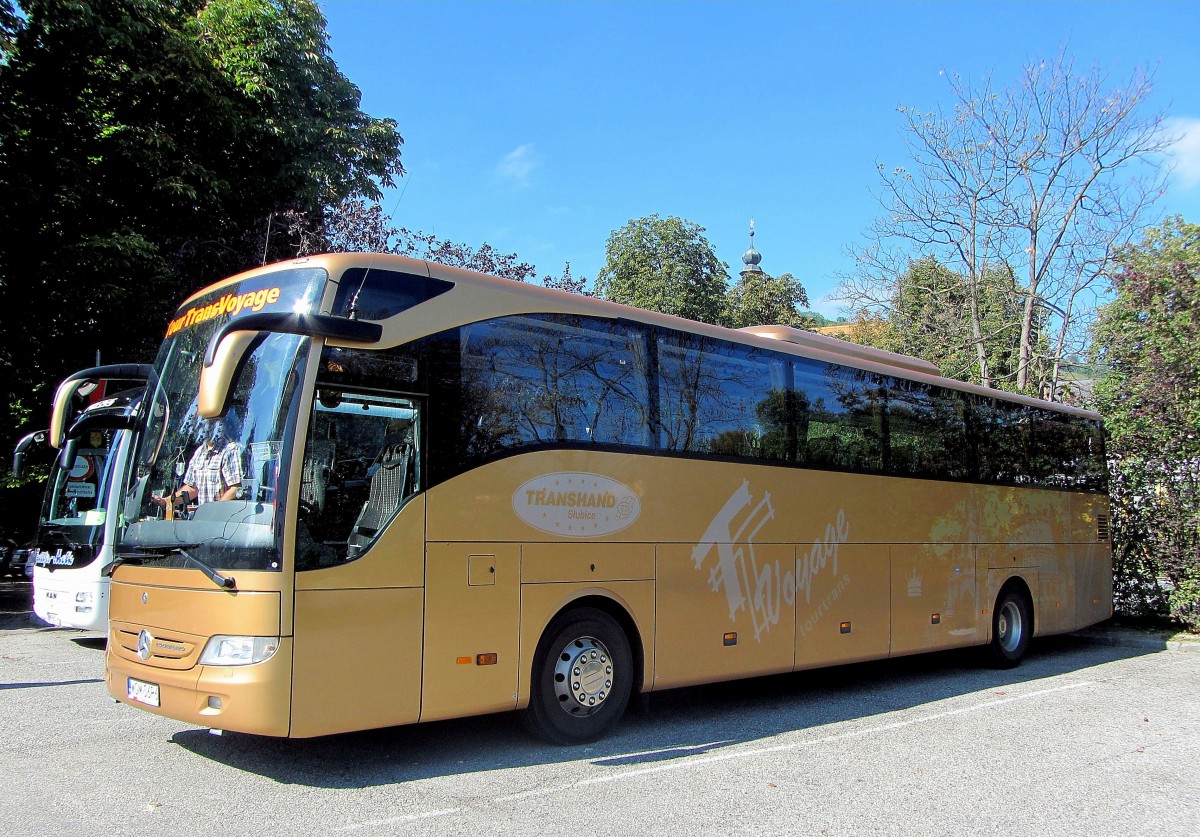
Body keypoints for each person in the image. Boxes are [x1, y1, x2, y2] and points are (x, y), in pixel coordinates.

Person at [152, 420, 243, 512]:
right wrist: (167, 501)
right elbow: (193, 489)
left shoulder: (229, 449)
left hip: (223, 521)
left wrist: (215, 512)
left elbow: (236, 489)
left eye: (209, 423)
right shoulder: (199, 453)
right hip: (203, 521)